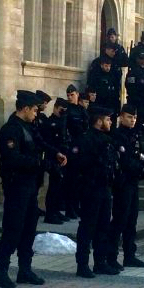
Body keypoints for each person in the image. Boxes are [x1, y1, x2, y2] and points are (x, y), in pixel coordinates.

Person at [0, 91, 67, 288]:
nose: (36, 113)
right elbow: (13, 159)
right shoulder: (10, 130)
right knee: (13, 229)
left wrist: (55, 153)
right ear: (24, 109)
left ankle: (25, 269)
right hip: (17, 186)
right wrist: (41, 163)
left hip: (31, 186)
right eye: (34, 110)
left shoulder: (29, 126)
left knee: (28, 230)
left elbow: (40, 143)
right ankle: (0, 272)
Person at [75, 106, 120, 278]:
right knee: (88, 227)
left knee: (103, 226)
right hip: (90, 188)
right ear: (99, 121)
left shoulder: (107, 139)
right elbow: (81, 165)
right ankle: (82, 264)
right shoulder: (85, 139)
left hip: (105, 188)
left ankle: (100, 262)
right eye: (108, 120)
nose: (110, 122)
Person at [107, 104, 144, 271]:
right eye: (129, 117)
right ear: (121, 117)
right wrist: (138, 166)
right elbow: (125, 161)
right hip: (122, 183)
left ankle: (129, 255)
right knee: (120, 220)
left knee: (132, 220)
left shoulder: (134, 135)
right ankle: (111, 256)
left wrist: (142, 166)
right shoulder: (117, 136)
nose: (132, 120)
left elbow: (143, 157)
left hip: (133, 183)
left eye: (134, 118)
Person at [42, 98, 71, 224]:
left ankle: (55, 211)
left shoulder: (63, 122)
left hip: (62, 157)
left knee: (60, 187)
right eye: (61, 110)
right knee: (53, 187)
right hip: (53, 157)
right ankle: (50, 213)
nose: (62, 113)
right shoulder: (50, 123)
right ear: (55, 108)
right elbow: (48, 142)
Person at [64, 84, 88, 219]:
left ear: (77, 95)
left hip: (81, 146)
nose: (69, 97)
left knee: (79, 182)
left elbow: (86, 126)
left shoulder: (81, 110)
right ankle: (69, 208)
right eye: (68, 95)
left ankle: (76, 206)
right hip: (71, 147)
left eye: (72, 95)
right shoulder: (67, 110)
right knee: (70, 181)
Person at [125, 53, 144, 130]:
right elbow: (130, 86)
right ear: (138, 60)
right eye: (142, 59)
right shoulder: (133, 72)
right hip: (135, 101)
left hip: (143, 101)